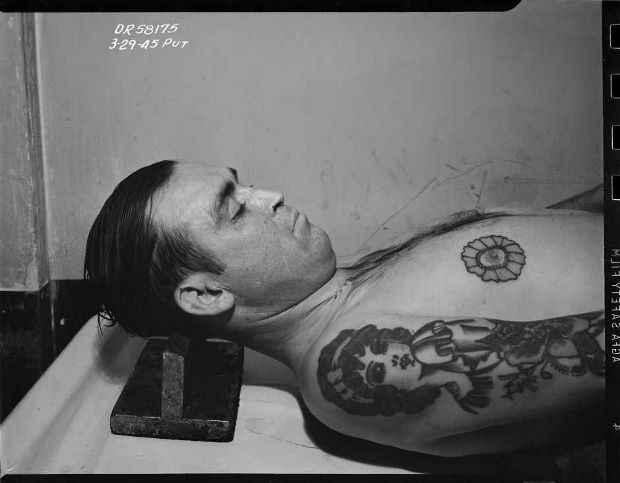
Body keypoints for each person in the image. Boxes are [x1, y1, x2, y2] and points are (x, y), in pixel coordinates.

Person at [84, 160, 604, 457]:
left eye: (243, 183)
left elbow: (522, 247)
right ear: (205, 295)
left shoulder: (343, 283)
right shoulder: (355, 365)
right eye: (236, 208)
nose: (270, 195)